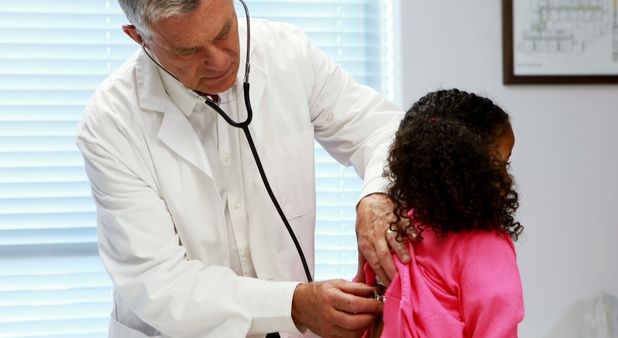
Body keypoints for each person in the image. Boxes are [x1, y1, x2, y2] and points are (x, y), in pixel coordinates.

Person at [75, 0, 407, 337]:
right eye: (188, 51)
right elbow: (160, 284)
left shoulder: (287, 54)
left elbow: (383, 129)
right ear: (139, 38)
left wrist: (377, 194)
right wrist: (294, 304)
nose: (219, 61)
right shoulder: (111, 124)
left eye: (224, 32)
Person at [364, 89, 525, 337]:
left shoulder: (393, 231)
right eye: (502, 164)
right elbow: (496, 324)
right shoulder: (486, 246)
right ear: (470, 173)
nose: (507, 177)